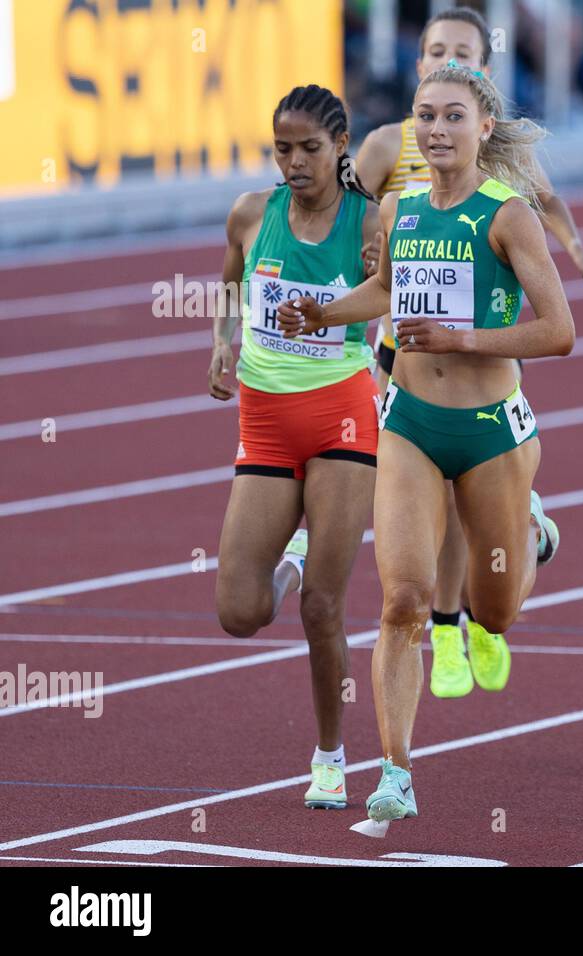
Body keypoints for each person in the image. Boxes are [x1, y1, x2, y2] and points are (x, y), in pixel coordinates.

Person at [278, 65, 574, 823]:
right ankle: (397, 773)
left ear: (483, 127)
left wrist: (460, 338)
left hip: (487, 433)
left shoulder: (509, 217)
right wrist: (325, 313)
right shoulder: (403, 209)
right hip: (409, 421)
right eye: (424, 117)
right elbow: (387, 292)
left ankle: (533, 533)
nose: (436, 130)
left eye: (452, 117)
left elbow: (559, 332)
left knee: (495, 612)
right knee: (402, 602)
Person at [354, 6, 583, 694]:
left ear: (486, 81)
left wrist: (576, 251)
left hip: (485, 370)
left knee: (495, 598)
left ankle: (503, 573)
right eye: (438, 51)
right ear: (417, 69)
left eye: (465, 54)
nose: (438, 125)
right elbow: (351, 237)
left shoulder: (506, 196)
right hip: (404, 369)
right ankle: (439, 633)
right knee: (416, 543)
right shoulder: (386, 154)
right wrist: (317, 301)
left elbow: (549, 228)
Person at [210, 85, 381, 810]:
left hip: (340, 416)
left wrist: (329, 313)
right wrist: (223, 338)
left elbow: (390, 293)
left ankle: (330, 756)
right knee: (239, 613)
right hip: (266, 420)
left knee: (323, 609)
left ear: (340, 147)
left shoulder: (372, 219)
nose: (296, 162)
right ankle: (291, 560)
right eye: (283, 148)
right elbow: (227, 282)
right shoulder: (253, 213)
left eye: (310, 148)